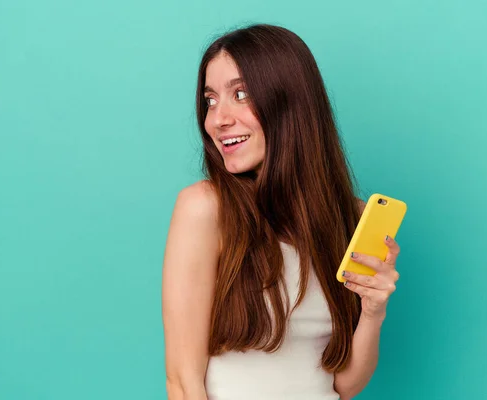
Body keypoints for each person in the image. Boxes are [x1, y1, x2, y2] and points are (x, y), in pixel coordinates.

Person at [162, 23, 401, 400]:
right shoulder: (205, 208)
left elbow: (344, 384)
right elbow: (182, 382)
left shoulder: (348, 218)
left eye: (240, 94)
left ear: (290, 101)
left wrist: (373, 310)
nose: (217, 119)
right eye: (210, 100)